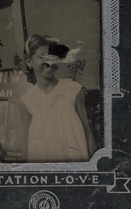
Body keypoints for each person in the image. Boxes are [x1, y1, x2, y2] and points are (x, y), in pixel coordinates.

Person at [20, 34, 96, 162]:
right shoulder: (26, 100)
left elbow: (87, 131)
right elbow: (25, 143)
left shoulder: (73, 90)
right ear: (29, 62)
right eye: (42, 57)